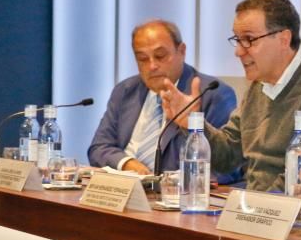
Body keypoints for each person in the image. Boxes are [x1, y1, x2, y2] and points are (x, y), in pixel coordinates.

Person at [161, 0, 301, 191]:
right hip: (262, 212)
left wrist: (250, 213)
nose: (238, 51)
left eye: (249, 39)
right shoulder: (259, 84)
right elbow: (227, 157)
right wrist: (191, 123)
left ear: (284, 39)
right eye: (237, 39)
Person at [88, 19, 237, 176]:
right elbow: (98, 147)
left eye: (160, 56)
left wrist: (190, 125)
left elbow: (223, 168)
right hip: (125, 188)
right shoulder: (125, 90)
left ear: (181, 51)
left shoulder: (211, 94)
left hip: (173, 194)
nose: (152, 66)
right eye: (143, 59)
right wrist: (126, 163)